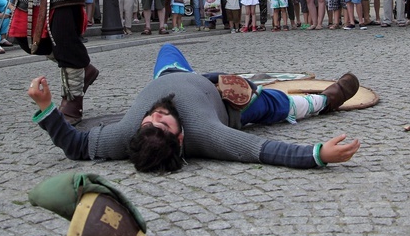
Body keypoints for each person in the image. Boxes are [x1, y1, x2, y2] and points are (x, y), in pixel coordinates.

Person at [27, 44, 361, 172]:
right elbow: (263, 149)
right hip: (233, 103)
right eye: (165, 124)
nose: (156, 115)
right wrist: (318, 155)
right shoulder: (208, 133)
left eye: (150, 121)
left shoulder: (127, 135)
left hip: (174, 74)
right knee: (286, 105)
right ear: (182, 137)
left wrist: (46, 106)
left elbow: (73, 146)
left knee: (167, 46)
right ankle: (326, 101)